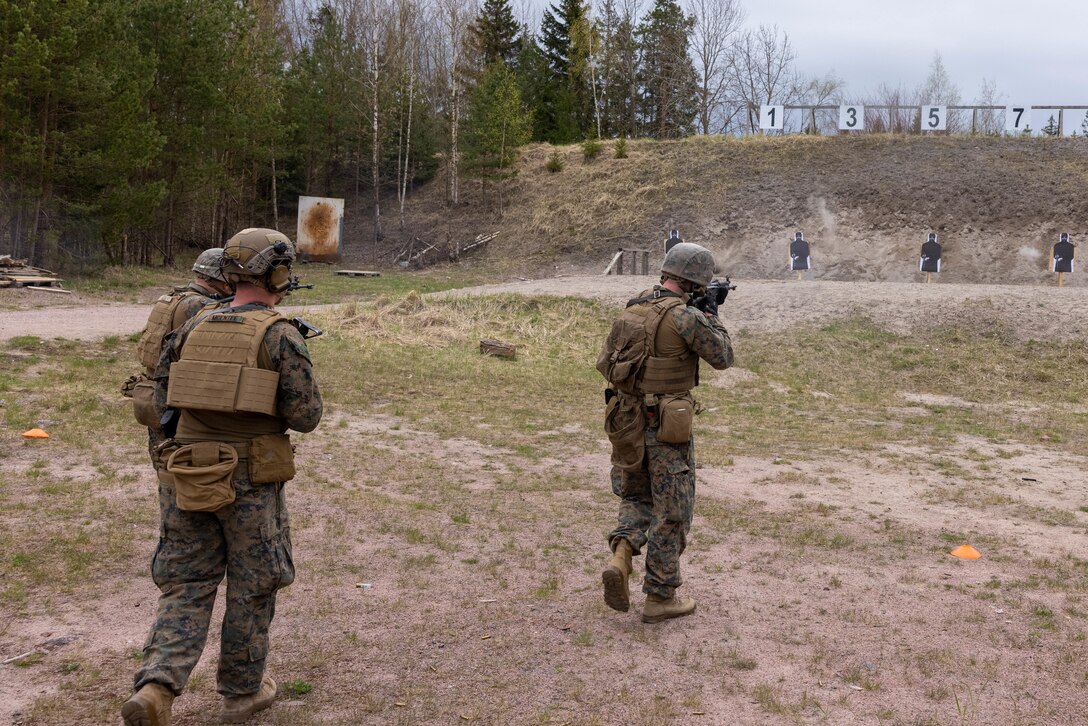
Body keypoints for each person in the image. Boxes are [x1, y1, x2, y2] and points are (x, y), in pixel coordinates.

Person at [122, 228, 323, 726]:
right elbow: (305, 415)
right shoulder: (280, 334)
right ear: (278, 273)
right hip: (250, 478)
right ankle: (241, 692)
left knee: (187, 583)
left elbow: (162, 395)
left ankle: (156, 686)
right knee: (255, 583)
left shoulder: (191, 324)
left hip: (188, 471)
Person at [596, 242, 734, 623]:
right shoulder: (686, 317)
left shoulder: (635, 306)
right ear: (695, 282)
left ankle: (621, 557)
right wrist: (712, 313)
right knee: (673, 510)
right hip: (664, 425)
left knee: (637, 495)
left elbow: (607, 361)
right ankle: (659, 596)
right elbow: (723, 356)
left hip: (626, 419)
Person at [130, 248, 234, 474]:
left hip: (153, 392)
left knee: (164, 463)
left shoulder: (173, 298)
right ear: (220, 278)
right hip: (175, 399)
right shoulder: (199, 306)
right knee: (183, 468)